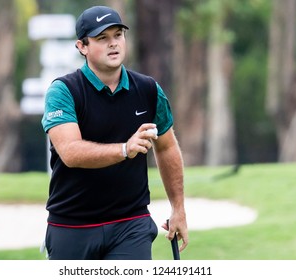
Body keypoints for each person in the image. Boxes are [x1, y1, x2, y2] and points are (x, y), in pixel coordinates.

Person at [41, 5, 188, 260]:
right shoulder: (64, 91)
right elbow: (70, 152)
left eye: (118, 35)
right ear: (82, 47)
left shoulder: (148, 89)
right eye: (102, 38)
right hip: (72, 225)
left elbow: (166, 147)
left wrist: (178, 208)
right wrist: (124, 149)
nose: (113, 44)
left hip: (131, 223)